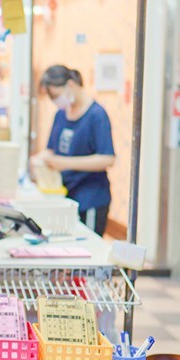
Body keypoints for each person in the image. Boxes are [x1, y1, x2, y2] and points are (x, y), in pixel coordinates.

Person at [31, 65, 115, 236]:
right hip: (65, 196)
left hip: (90, 198)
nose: (56, 101)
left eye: (57, 95)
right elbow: (52, 150)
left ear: (70, 85)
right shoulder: (60, 115)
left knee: (88, 246)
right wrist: (37, 160)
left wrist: (65, 163)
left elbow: (107, 158)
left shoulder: (96, 115)